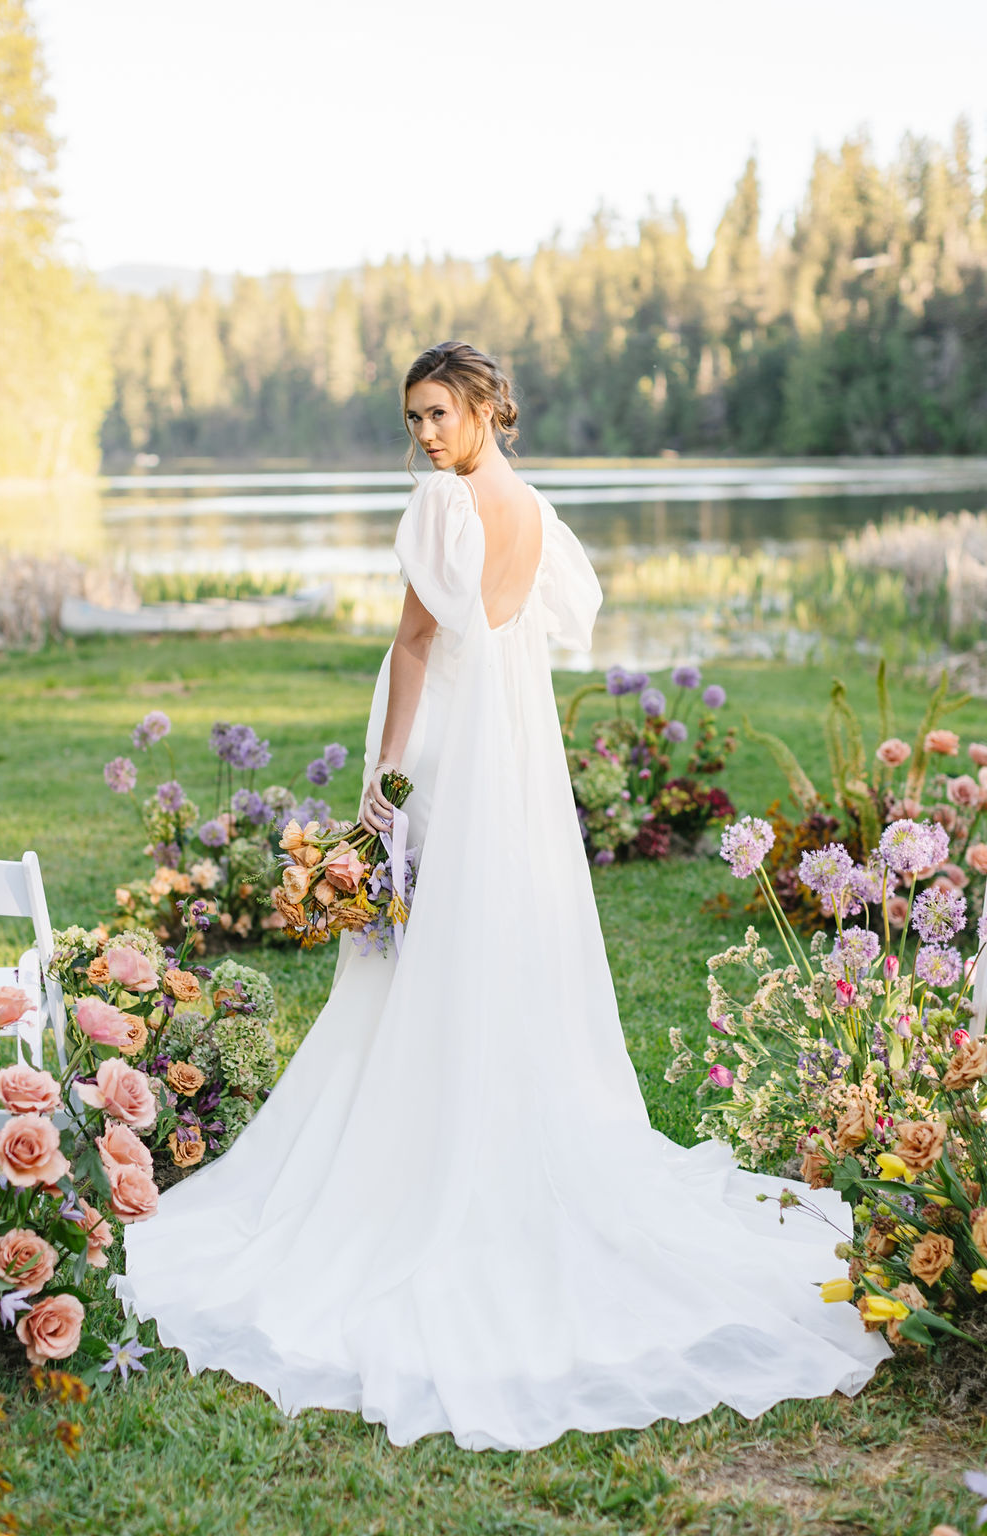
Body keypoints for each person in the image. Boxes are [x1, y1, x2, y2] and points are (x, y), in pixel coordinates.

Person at [111, 340, 890, 1452]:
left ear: (484, 406)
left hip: (451, 752)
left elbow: (419, 642)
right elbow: (550, 625)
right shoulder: (533, 506)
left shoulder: (444, 504)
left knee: (420, 949)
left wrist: (384, 784)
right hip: (511, 763)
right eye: (412, 419)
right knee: (488, 945)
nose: (423, 435)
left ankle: (425, 1159)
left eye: (437, 412)